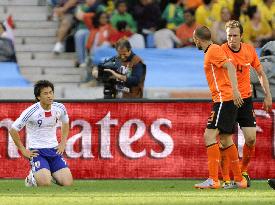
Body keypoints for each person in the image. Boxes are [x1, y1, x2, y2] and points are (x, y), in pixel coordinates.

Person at [192, 26, 247, 189]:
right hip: (225, 99)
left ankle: (213, 180)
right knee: (225, 139)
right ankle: (239, 180)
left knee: (209, 136)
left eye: (194, 39)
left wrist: (235, 91)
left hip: (224, 99)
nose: (194, 41)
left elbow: (230, 67)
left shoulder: (213, 50)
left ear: (197, 39)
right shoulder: (213, 50)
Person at [219, 20, 272, 188]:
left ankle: (243, 171)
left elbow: (261, 73)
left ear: (241, 36)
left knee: (250, 139)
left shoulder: (249, 50)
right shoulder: (220, 51)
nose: (232, 39)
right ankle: (226, 177)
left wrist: (267, 95)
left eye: (235, 36)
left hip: (246, 100)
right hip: (227, 99)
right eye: (229, 36)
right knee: (224, 140)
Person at [9, 80, 73, 187]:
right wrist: (23, 150)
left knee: (68, 183)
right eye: (45, 93)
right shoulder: (31, 111)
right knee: (44, 184)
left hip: (54, 150)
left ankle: (48, 173)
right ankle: (32, 178)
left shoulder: (60, 108)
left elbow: (66, 123)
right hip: (37, 152)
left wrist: (63, 143)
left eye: (51, 92)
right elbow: (13, 129)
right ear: (38, 97)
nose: (49, 96)